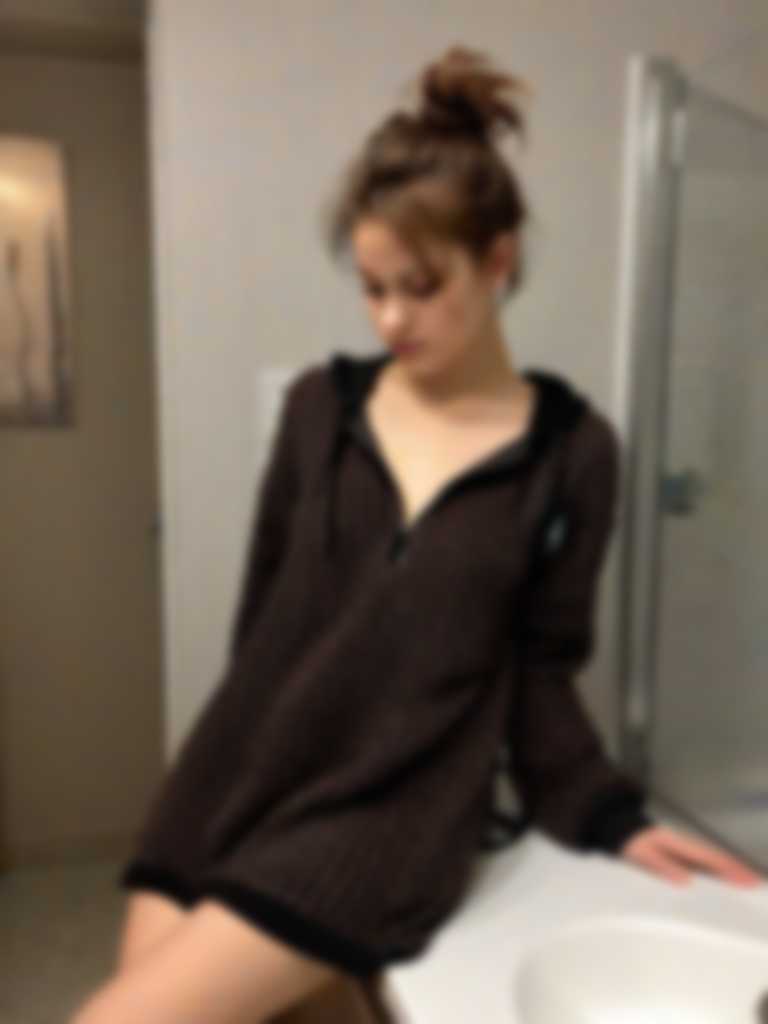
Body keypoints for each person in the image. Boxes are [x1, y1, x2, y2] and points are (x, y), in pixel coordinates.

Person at [69, 44, 763, 1024]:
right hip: (241, 776)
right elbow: (262, 633)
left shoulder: (572, 453)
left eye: (422, 286)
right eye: (372, 286)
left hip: (382, 821)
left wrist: (606, 811)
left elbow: (541, 670)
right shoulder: (320, 410)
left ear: (498, 260)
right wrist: (207, 790)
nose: (392, 317)